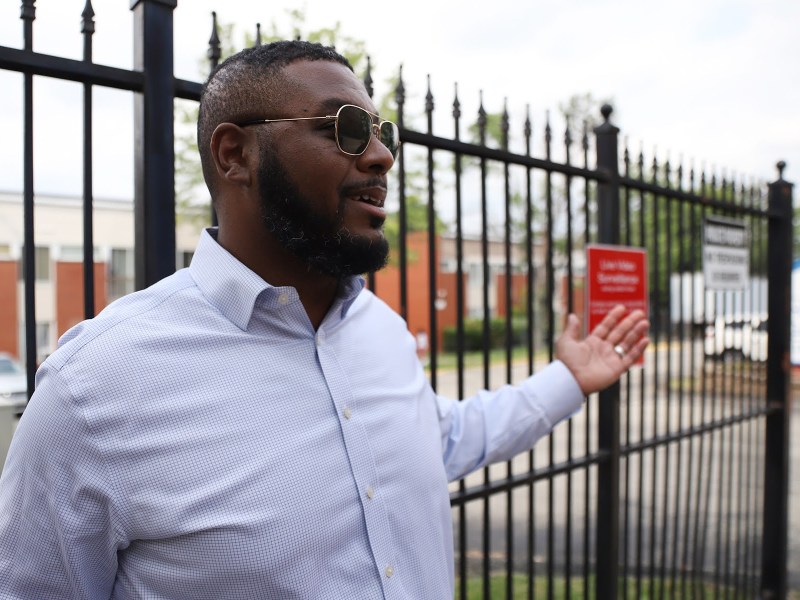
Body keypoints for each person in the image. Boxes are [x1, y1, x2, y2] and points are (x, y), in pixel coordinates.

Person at [0, 41, 649, 599]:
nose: (382, 159)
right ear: (235, 155)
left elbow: (439, 439)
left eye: (382, 134)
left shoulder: (381, 330)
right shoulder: (96, 387)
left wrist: (569, 379)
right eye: (345, 128)